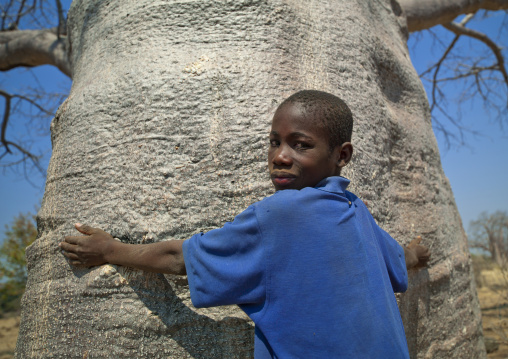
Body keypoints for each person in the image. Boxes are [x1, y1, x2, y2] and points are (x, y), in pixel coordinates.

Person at [60, 90, 430, 358]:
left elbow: (180, 259)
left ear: (342, 154)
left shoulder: (279, 214)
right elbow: (397, 258)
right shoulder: (355, 210)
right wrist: (416, 253)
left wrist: (110, 250)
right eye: (274, 142)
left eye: (300, 145)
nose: (280, 157)